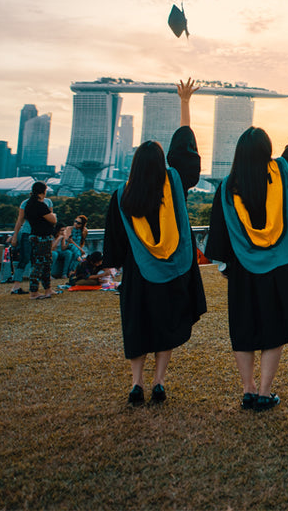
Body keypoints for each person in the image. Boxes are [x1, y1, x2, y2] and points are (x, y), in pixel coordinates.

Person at [205, 82, 288, 413]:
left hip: (243, 268)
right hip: (280, 267)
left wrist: (226, 267)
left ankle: (248, 389)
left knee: (244, 329)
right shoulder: (282, 170)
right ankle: (265, 392)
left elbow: (219, 233)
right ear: (268, 150)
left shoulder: (228, 188)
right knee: (273, 329)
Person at [102, 79, 207, 406]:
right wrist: (185, 103)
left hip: (139, 274)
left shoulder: (121, 196)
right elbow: (185, 150)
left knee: (139, 328)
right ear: (162, 164)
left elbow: (114, 247)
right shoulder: (174, 182)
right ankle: (159, 382)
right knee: (166, 325)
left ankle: (137, 384)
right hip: (173, 272)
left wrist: (118, 267)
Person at [7, 192, 53, 293]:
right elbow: (20, 220)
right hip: (27, 233)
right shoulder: (26, 203)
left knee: (38, 261)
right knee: (25, 258)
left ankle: (37, 288)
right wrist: (14, 236)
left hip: (40, 234)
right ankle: (16, 286)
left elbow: (50, 219)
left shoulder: (48, 202)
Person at [24, 182, 58, 299]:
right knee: (40, 264)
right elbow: (53, 220)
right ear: (43, 191)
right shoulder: (40, 205)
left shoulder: (28, 204)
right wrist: (53, 214)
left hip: (34, 236)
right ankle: (34, 292)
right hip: (43, 237)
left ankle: (48, 289)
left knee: (45, 263)